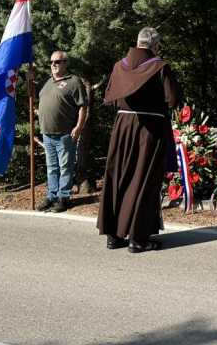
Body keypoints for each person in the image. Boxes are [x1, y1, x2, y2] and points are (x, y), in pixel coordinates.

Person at [97, 27, 183, 253]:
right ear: (156, 46)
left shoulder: (119, 66)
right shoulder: (160, 67)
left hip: (122, 127)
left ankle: (113, 236)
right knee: (144, 179)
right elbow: (173, 100)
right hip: (149, 129)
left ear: (137, 43)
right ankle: (138, 238)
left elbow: (110, 98)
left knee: (118, 176)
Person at [29, 51, 87, 213]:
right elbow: (33, 97)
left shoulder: (74, 81)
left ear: (66, 63)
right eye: (51, 62)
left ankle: (64, 197)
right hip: (47, 133)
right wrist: (29, 80)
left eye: (57, 61)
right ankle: (51, 196)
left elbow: (82, 106)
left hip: (65, 133)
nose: (53, 64)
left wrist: (79, 127)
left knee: (65, 167)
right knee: (52, 167)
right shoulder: (45, 81)